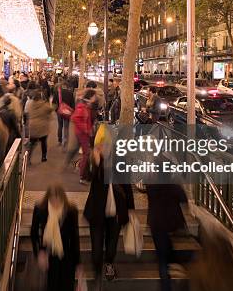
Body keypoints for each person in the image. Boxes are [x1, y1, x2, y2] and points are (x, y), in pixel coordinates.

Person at [84, 124, 134, 282]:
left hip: (116, 209)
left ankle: (109, 264)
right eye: (100, 143)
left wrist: (131, 209)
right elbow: (87, 177)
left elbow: (127, 184)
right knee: (97, 245)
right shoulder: (94, 158)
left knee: (112, 243)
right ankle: (97, 269)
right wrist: (96, 162)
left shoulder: (120, 158)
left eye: (106, 143)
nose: (103, 147)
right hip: (97, 210)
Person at [146, 171, 191, 291]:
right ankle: (171, 282)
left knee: (162, 259)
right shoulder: (174, 186)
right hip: (171, 224)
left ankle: (166, 286)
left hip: (156, 224)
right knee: (167, 255)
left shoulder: (151, 185)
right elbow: (184, 200)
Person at [30, 184, 80, 291]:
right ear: (48, 198)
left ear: (63, 198)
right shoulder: (41, 209)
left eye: (58, 200)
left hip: (66, 256)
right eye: (52, 200)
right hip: (49, 255)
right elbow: (33, 233)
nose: (56, 203)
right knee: (52, 285)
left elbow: (75, 237)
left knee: (66, 286)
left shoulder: (71, 211)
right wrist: (39, 252)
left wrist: (78, 263)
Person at [70, 90, 96, 184]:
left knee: (86, 153)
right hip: (82, 133)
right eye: (94, 96)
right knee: (86, 153)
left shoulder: (86, 105)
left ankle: (81, 168)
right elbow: (75, 118)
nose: (95, 98)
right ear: (90, 97)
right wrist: (86, 129)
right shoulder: (83, 106)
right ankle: (82, 175)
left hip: (83, 133)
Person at [25, 89, 54, 163]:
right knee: (43, 143)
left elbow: (26, 112)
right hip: (43, 127)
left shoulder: (29, 104)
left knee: (31, 143)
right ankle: (43, 157)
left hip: (33, 126)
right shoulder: (44, 105)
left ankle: (28, 158)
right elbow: (51, 111)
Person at [52, 78, 75, 147]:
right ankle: (65, 140)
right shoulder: (70, 93)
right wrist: (72, 111)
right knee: (66, 127)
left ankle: (59, 140)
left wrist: (56, 110)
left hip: (59, 112)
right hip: (67, 112)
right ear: (67, 86)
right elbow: (73, 104)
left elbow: (53, 103)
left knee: (60, 126)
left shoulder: (57, 92)